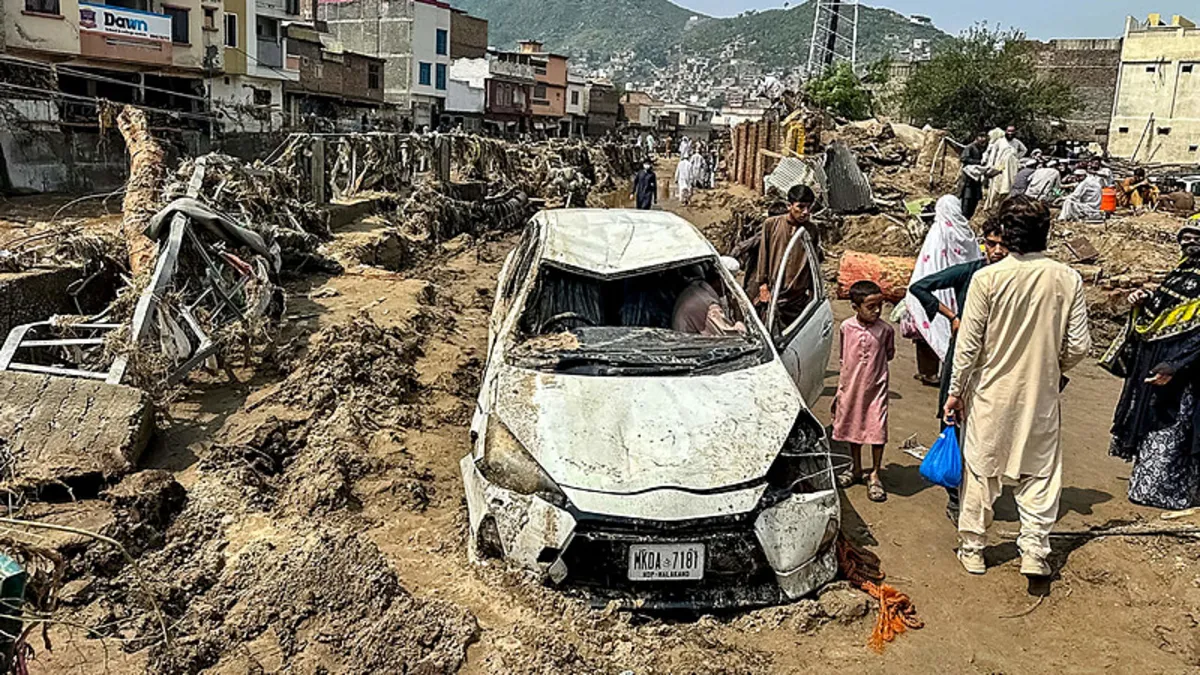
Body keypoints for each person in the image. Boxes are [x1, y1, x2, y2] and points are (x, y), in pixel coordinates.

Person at [945, 197, 1092, 578]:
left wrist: (955, 390)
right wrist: (1053, 369)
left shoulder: (988, 278)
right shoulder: (1067, 278)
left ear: (1007, 235)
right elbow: (1079, 345)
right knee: (1040, 474)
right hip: (1041, 393)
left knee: (981, 470)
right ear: (1046, 233)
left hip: (991, 391)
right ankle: (1033, 550)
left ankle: (974, 549)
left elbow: (969, 345)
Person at [908, 218, 1009, 522]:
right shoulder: (971, 271)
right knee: (951, 418)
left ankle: (980, 490)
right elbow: (921, 287)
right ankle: (955, 496)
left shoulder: (1012, 278)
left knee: (988, 424)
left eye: (1003, 245)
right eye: (992, 243)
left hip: (994, 359)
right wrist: (953, 316)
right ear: (983, 243)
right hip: (961, 355)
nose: (997, 250)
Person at [1105, 224, 1200, 511]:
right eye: (1186, 238)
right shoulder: (1181, 273)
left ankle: (1175, 492)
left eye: (1197, 237)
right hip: (1161, 368)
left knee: (1177, 427)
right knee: (1155, 421)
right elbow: (1163, 315)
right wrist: (1145, 300)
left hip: (1188, 373)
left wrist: (1175, 364)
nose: (1190, 243)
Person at [832, 280, 896, 503]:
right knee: (853, 427)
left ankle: (875, 473)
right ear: (855, 307)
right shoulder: (846, 327)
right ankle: (856, 467)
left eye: (880, 306)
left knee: (877, 431)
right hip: (851, 388)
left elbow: (888, 355)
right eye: (871, 307)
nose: (877, 311)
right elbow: (844, 356)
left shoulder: (886, 330)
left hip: (876, 389)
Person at [904, 195, 984, 363]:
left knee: (929, 327)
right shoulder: (968, 232)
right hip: (964, 288)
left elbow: (930, 260)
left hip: (937, 286)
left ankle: (929, 372)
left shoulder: (939, 230)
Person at [750, 184, 819, 326]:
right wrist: (763, 287)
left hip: (797, 298)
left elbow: (813, 263)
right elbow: (763, 256)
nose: (805, 212)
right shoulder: (771, 224)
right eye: (800, 207)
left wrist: (813, 293)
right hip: (774, 295)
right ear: (789, 206)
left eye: (808, 207)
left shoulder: (811, 230)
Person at [672, 265, 747, 336]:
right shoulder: (709, 305)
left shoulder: (695, 289)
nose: (729, 289)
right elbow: (729, 336)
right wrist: (740, 323)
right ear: (721, 281)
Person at [983, 128, 1020, 211]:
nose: (1010, 134)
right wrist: (991, 165)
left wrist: (1016, 158)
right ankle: (989, 206)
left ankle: (1001, 207)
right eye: (1009, 132)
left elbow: (1024, 150)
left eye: (1012, 132)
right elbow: (992, 154)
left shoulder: (1017, 142)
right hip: (998, 168)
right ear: (1006, 132)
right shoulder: (1000, 141)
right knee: (995, 188)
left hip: (1010, 169)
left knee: (1007, 188)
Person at [957, 132, 989, 219]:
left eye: (984, 137)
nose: (983, 140)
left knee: (975, 198)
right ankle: (964, 217)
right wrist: (978, 162)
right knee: (967, 199)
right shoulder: (970, 147)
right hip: (968, 178)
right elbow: (963, 158)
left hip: (976, 177)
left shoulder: (981, 149)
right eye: (981, 137)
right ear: (976, 137)